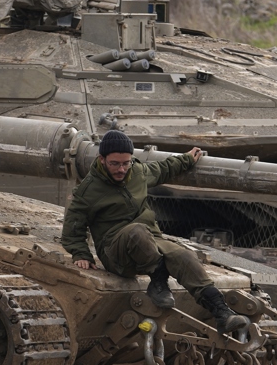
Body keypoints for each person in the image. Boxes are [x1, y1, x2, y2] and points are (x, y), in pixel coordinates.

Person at [61, 129, 248, 332]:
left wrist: (186, 159)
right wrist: (81, 253)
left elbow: (164, 168)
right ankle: (158, 282)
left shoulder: (137, 172)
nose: (121, 169)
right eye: (115, 163)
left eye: (126, 163)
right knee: (136, 232)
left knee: (184, 256)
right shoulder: (88, 190)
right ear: (102, 159)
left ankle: (221, 312)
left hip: (150, 238)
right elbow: (73, 227)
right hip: (115, 251)